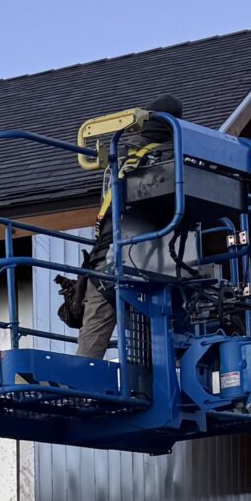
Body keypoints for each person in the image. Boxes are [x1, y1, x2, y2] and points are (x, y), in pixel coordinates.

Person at [64, 94, 183, 359]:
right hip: (151, 256)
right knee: (155, 322)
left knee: (97, 320)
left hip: (114, 253)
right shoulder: (172, 158)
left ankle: (82, 376)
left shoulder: (127, 157)